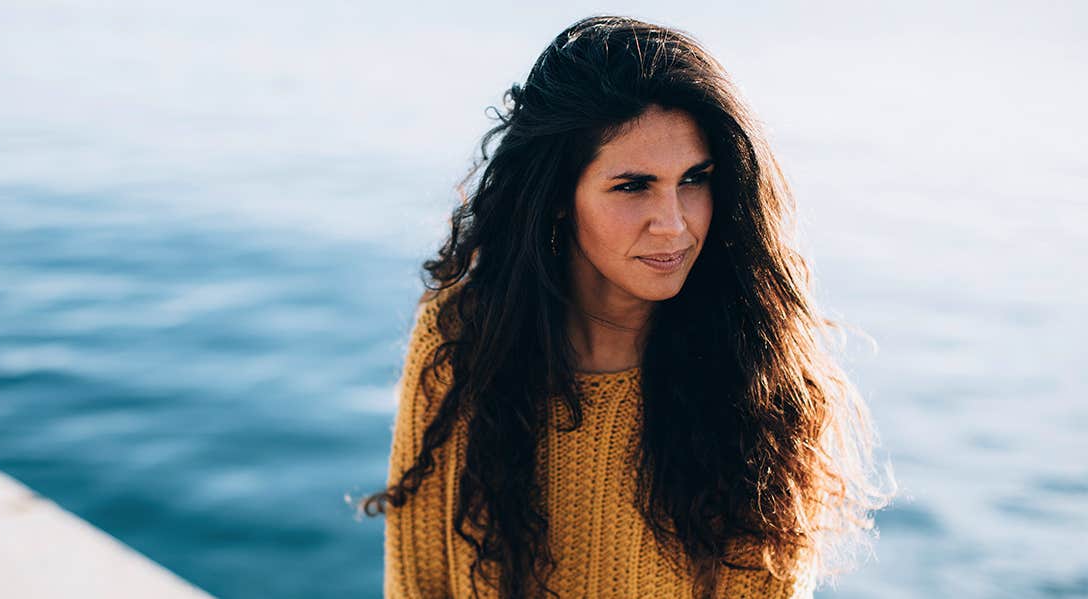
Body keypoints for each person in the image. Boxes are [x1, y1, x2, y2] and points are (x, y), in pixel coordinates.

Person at [357, 14, 895, 599]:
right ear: (559, 198)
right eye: (633, 186)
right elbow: (416, 583)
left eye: (695, 179)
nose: (674, 224)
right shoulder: (464, 337)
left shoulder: (755, 375)